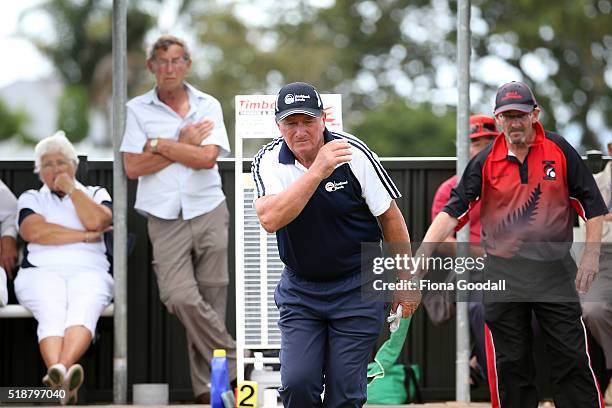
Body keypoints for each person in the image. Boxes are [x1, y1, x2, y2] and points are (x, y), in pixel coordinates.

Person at [417, 81, 607, 408]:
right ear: (498, 118)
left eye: (521, 115)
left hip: (554, 271)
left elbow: (593, 207)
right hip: (503, 273)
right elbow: (452, 211)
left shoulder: (560, 150)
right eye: (507, 116)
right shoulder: (484, 162)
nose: (515, 123)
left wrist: (590, 257)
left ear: (535, 114)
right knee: (512, 361)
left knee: (571, 356)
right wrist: (420, 256)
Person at [251, 81, 420, 408]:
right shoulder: (269, 160)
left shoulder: (355, 153)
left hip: (358, 285)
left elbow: (390, 218)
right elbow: (270, 219)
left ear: (323, 118)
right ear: (278, 125)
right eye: (291, 123)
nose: (300, 131)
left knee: (346, 392)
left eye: (308, 121)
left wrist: (406, 281)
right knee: (299, 384)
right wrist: (318, 170)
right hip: (301, 291)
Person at [120, 34, 236, 403]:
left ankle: (209, 391)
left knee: (213, 299)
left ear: (187, 64)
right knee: (180, 297)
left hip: (208, 208)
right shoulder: (137, 109)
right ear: (152, 66)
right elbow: (133, 166)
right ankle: (235, 360)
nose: (169, 68)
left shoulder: (208, 105)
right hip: (163, 215)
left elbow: (206, 159)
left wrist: (160, 143)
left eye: (176, 61)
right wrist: (184, 141)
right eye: (162, 61)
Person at [14, 131, 113, 405]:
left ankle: (59, 373)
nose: (55, 169)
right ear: (39, 171)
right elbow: (34, 231)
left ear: (74, 165)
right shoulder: (32, 197)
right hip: (39, 272)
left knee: (86, 304)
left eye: (61, 162)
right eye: (47, 164)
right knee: (51, 309)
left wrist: (72, 191)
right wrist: (82, 236)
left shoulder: (94, 193)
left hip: (90, 271)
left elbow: (98, 221)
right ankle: (64, 379)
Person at [429, 114, 497, 386]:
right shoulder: (451, 187)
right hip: (472, 268)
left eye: (489, 141)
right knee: (479, 307)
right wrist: (480, 254)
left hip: (516, 266)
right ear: (463, 146)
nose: (483, 148)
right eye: (476, 142)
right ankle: (485, 366)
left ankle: (479, 363)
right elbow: (442, 240)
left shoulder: (510, 181)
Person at [579, 141, 612, 405]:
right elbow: (590, 228)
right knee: (593, 309)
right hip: (602, 258)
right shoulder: (594, 183)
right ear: (611, 149)